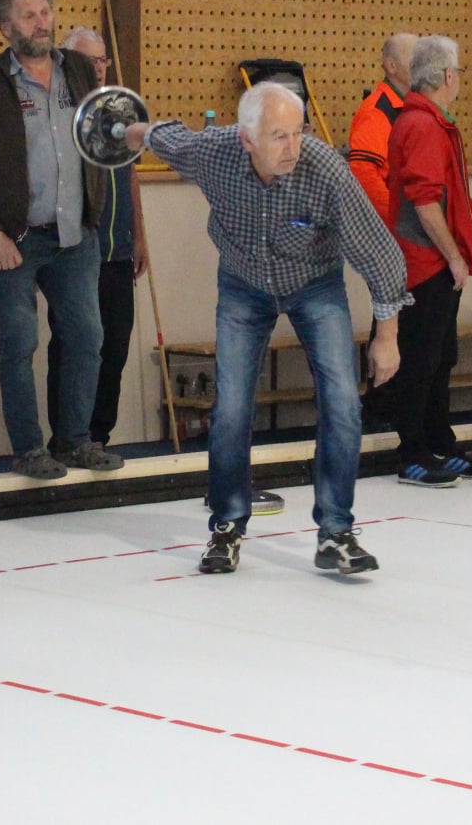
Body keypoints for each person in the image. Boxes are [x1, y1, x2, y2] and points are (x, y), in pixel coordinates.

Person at [126, 82, 407, 576]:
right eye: (279, 136)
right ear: (247, 138)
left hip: (315, 284)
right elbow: (166, 138)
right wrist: (129, 131)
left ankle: (336, 532)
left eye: (298, 132)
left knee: (342, 401)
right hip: (244, 284)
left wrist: (387, 337)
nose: (293, 147)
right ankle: (227, 526)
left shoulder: (325, 171)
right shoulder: (215, 152)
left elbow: (379, 253)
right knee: (232, 406)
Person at [0, 0, 122, 479]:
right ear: (5, 27)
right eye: (29, 16)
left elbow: (101, 135)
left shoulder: (80, 71)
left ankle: (74, 441)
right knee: (19, 342)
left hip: (75, 236)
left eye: (45, 12)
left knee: (86, 338)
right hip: (15, 240)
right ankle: (29, 449)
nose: (42, 23)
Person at [382, 35, 472, 486]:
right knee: (422, 359)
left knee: (440, 357)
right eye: (458, 72)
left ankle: (437, 439)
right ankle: (412, 451)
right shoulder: (423, 125)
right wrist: (454, 257)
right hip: (424, 264)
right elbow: (424, 202)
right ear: (447, 76)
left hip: (432, 262)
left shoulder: (430, 122)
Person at [44, 27, 147, 462]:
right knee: (74, 345)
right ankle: (67, 438)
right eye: (91, 60)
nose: (99, 67)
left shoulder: (117, 112)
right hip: (76, 253)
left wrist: (140, 235)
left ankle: (98, 437)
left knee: (115, 347)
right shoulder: (60, 112)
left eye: (103, 59)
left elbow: (131, 173)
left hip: (118, 253)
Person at [347, 32, 418, 225]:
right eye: (414, 58)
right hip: (389, 231)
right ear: (391, 66)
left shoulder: (412, 106)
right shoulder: (377, 111)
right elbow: (363, 173)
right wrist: (398, 221)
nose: (421, 66)